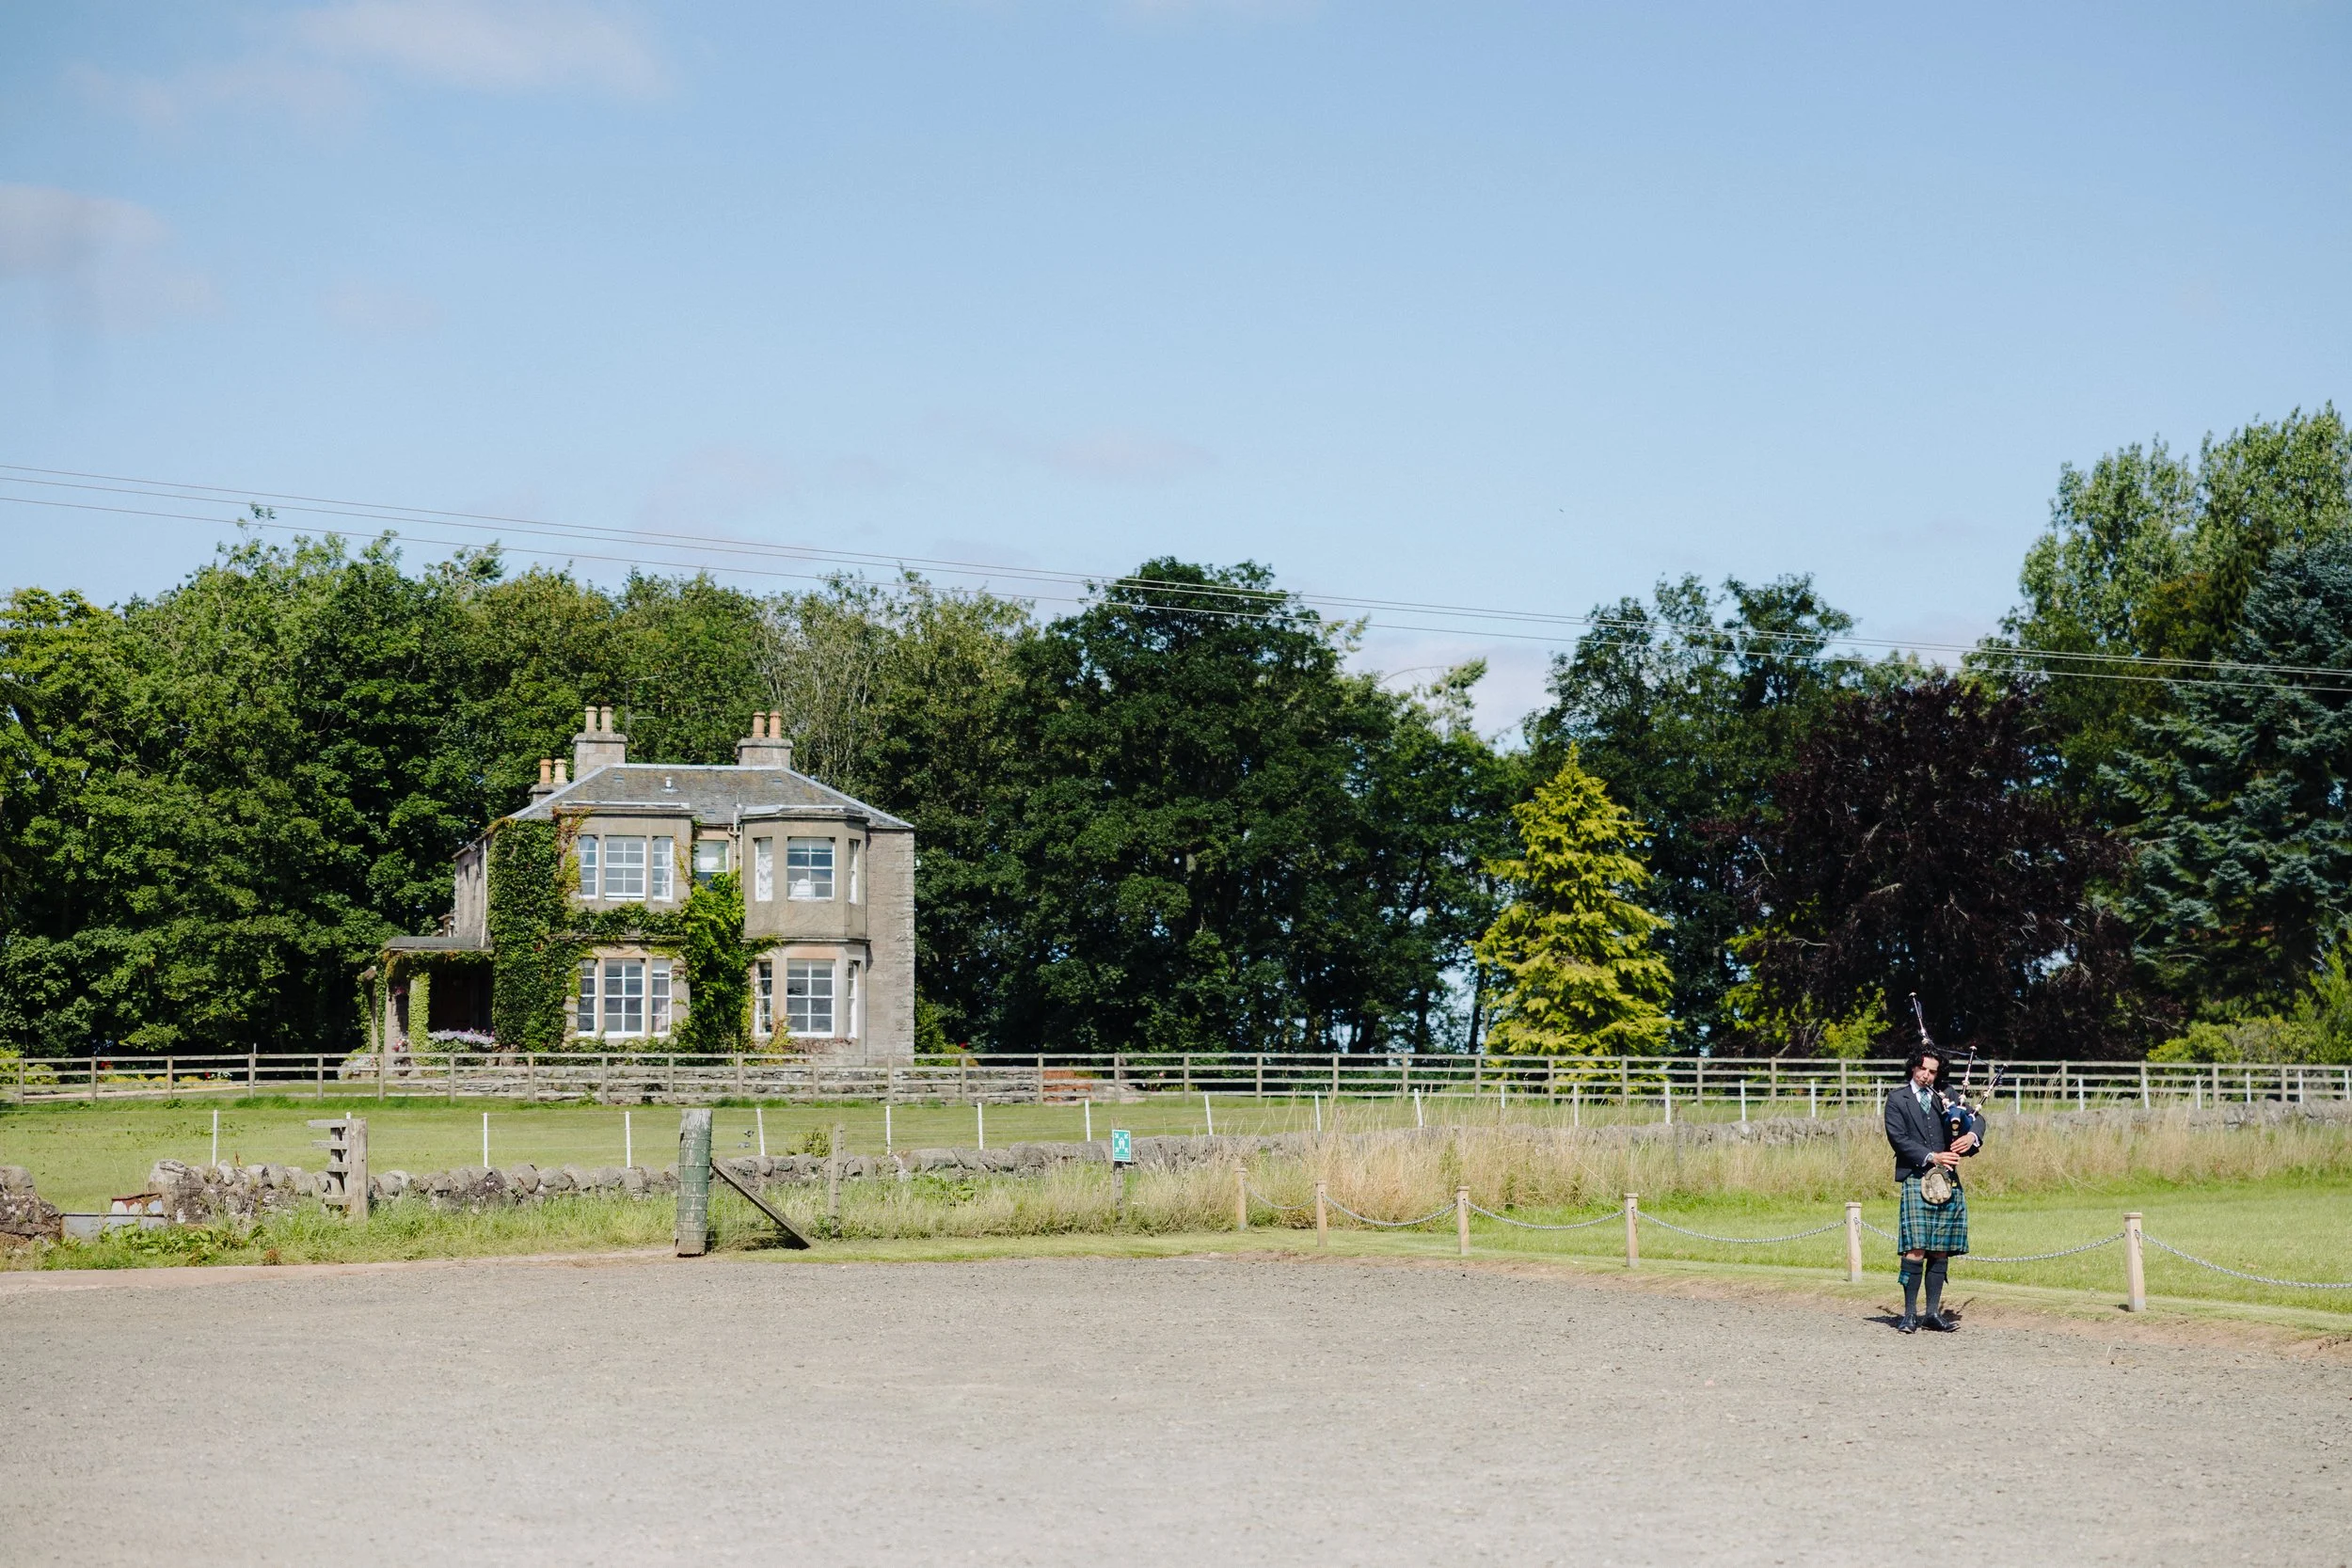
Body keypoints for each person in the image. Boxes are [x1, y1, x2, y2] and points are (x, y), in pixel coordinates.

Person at [1883, 1047, 1979, 1332]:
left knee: (1940, 1249)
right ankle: (1909, 1315)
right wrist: (1932, 1156)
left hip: (1946, 1180)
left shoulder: (1946, 1095)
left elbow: (1976, 1118)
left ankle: (1932, 1314)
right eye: (1923, 1069)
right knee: (1915, 1248)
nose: (1927, 1075)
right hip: (1916, 1176)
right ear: (1913, 1067)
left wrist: (1972, 1135)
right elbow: (1898, 1139)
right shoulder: (1896, 1098)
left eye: (1933, 1071)